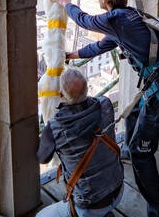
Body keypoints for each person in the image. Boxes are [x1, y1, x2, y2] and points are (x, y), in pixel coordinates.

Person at [53, 0, 159, 217]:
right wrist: (72, 55)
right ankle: (129, 148)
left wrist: (65, 3)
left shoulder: (116, 19)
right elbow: (100, 46)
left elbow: (84, 20)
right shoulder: (126, 19)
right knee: (134, 112)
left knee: (142, 153)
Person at [37, 67, 124, 217]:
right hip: (118, 190)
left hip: (89, 205)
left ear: (60, 95)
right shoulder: (105, 105)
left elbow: (42, 158)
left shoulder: (55, 128)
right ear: (87, 89)